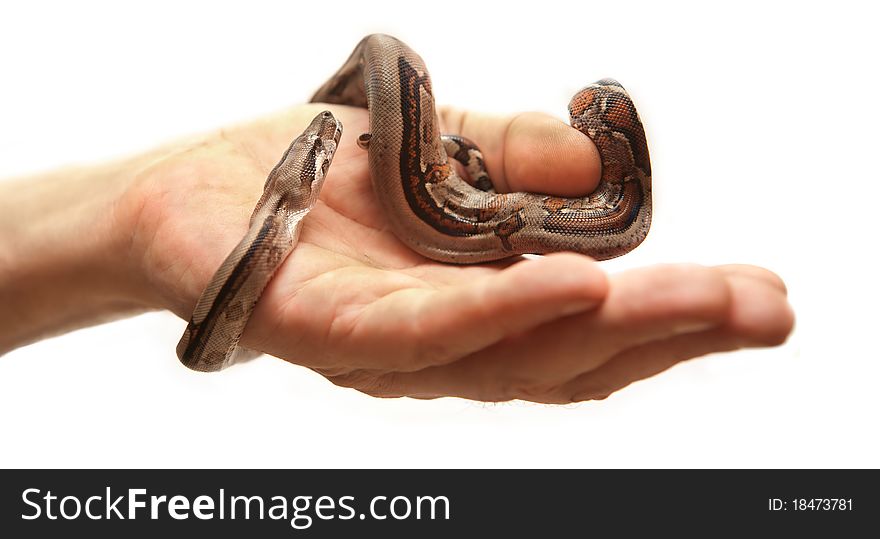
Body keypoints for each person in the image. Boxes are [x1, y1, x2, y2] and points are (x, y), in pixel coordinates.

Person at [0, 103, 794, 403]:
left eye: (320, 140)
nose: (325, 143)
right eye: (318, 151)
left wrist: (124, 224)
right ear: (301, 186)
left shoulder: (295, 199)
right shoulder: (286, 209)